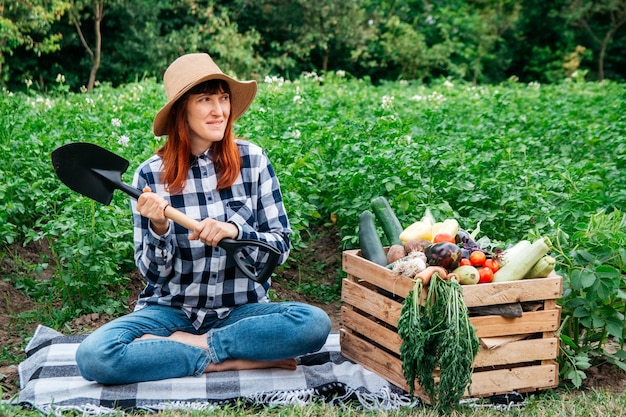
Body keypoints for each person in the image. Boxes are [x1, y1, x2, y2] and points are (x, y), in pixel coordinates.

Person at [75, 53, 332, 384]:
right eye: (206, 99)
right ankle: (228, 361)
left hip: (241, 312)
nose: (219, 110)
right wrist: (159, 227)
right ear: (183, 109)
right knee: (94, 356)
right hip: (170, 313)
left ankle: (195, 348)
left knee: (314, 323)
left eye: (223, 98)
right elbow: (152, 274)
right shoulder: (150, 177)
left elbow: (280, 245)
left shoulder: (253, 161)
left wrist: (235, 230)